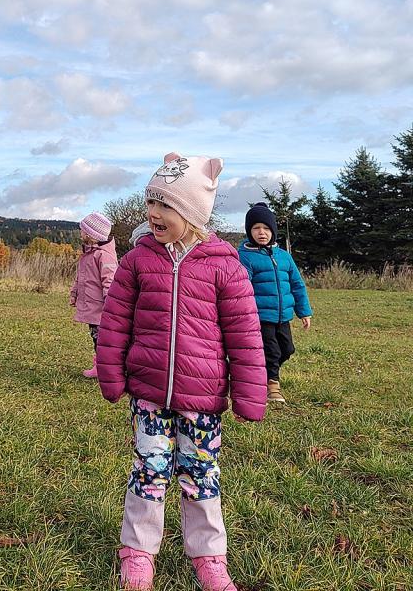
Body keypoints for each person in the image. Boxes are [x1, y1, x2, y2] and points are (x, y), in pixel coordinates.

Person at [96, 153, 267, 591]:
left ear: (192, 212)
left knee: (201, 477)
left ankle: (209, 557)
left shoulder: (224, 265)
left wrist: (250, 393)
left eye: (165, 204)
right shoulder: (137, 261)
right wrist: (110, 373)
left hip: (202, 400)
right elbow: (114, 322)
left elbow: (245, 334)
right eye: (150, 201)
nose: (153, 212)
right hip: (149, 395)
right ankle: (137, 552)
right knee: (149, 472)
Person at [237, 202, 313, 405]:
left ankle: (257, 374)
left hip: (283, 315)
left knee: (287, 349)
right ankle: (272, 386)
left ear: (273, 231)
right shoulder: (245, 257)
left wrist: (304, 311)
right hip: (260, 316)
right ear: (249, 231)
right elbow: (242, 288)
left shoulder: (284, 256)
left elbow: (297, 284)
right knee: (272, 351)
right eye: (256, 228)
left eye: (266, 228)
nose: (261, 232)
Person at [69, 212, 118, 378]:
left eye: (83, 230)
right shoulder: (88, 255)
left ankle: (105, 368)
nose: (80, 233)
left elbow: (110, 280)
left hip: (101, 308)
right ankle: (100, 366)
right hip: (92, 307)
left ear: (91, 234)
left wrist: (110, 303)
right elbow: (80, 277)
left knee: (103, 340)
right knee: (96, 338)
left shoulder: (103, 255)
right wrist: (74, 293)